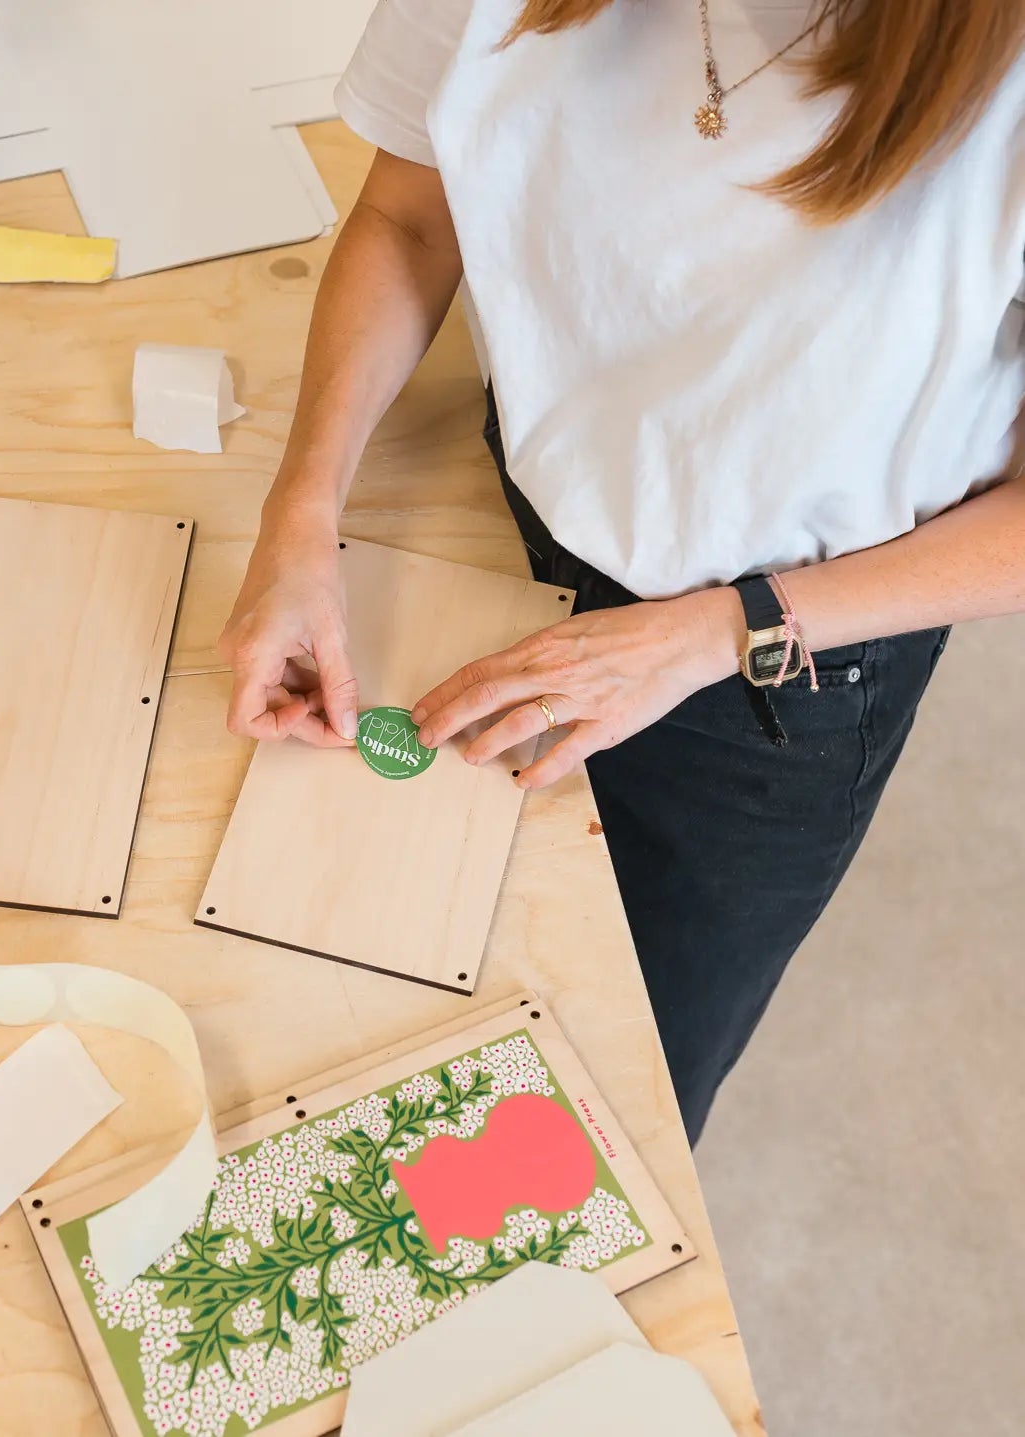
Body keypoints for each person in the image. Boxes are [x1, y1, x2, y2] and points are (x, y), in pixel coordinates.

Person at [217, 0, 1025, 1143]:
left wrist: (716, 630)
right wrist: (302, 511)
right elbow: (410, 219)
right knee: (365, 1002)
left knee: (596, 1116)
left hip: (780, 656)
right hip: (512, 517)